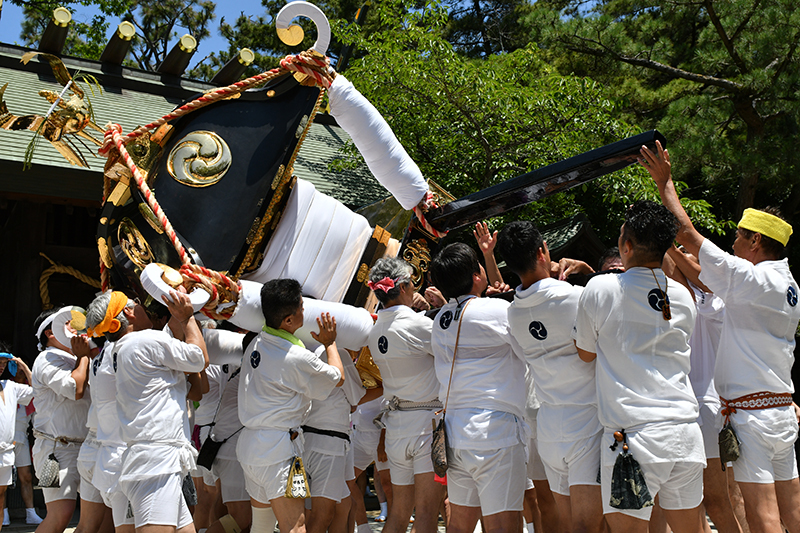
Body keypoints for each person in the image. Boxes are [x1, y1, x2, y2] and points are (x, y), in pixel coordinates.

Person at [641, 140, 800, 533]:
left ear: (756, 242)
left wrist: (666, 185)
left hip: (754, 418)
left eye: (739, 237)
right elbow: (703, 275)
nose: (733, 243)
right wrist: (675, 251)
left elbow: (689, 234)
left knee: (764, 517)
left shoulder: (754, 279)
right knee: (792, 511)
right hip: (779, 411)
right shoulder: (784, 283)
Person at [574, 200, 706, 533]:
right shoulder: (683, 297)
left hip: (634, 437)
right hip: (685, 434)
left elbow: (585, 354)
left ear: (627, 246)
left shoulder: (601, 288)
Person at [497, 221, 604, 533]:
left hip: (549, 426)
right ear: (543, 251)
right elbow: (613, 304)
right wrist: (588, 271)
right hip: (589, 421)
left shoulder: (513, 314)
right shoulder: (577, 297)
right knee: (590, 525)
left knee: (570, 524)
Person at [85, 289, 209, 533]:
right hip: (156, 462)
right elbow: (199, 358)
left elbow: (196, 388)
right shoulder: (146, 340)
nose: (143, 306)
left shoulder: (122, 348)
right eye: (137, 303)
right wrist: (187, 318)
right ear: (128, 313)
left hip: (156, 458)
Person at [428, 243, 529, 533]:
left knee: (460, 524)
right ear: (476, 275)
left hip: (456, 432)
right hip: (494, 432)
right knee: (503, 525)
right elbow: (529, 352)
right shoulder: (496, 309)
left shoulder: (440, 320)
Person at [236, 279, 345, 533]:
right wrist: (330, 343)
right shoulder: (295, 356)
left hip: (251, 448)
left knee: (261, 526)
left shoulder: (256, 343)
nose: (305, 313)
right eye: (301, 308)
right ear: (288, 320)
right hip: (280, 453)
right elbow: (336, 378)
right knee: (295, 527)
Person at [366, 257, 445, 533]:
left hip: (397, 426)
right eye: (412, 283)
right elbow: (454, 349)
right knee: (425, 514)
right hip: (425, 425)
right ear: (404, 287)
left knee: (398, 514)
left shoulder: (375, 331)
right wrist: (444, 308)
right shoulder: (417, 325)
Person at [31, 307, 92, 533]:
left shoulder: (81, 357)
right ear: (50, 332)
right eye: (69, 324)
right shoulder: (46, 358)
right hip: (57, 449)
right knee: (61, 514)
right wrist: (83, 356)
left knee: (98, 516)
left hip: (89, 447)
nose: (76, 328)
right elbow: (74, 389)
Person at [4, 364, 43, 527]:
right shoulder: (7, 387)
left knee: (26, 477)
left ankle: (31, 513)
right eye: (19, 370)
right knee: (3, 480)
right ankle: (3, 514)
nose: (22, 373)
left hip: (22, 438)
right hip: (5, 440)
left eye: (24, 371)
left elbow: (38, 390)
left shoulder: (27, 391)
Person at [0, 346, 34, 532]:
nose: (1, 366)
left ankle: (29, 512)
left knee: (1, 495)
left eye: (4, 363)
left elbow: (38, 389)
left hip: (8, 449)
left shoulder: (11, 387)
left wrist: (22, 365)